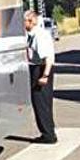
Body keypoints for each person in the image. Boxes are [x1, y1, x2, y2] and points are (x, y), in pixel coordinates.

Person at [24, 10, 58, 144]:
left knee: (41, 103)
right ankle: (47, 132)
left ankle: (49, 135)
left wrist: (45, 75)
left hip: (42, 69)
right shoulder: (33, 34)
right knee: (40, 103)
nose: (23, 23)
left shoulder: (39, 36)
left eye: (25, 21)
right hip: (37, 68)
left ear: (31, 21)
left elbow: (48, 58)